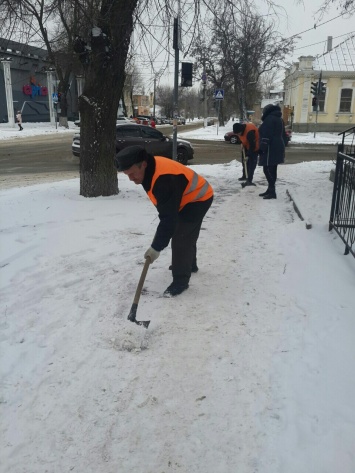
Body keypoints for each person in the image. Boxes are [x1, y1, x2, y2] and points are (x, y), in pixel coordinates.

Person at [115, 145, 214, 296]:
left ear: (143, 164)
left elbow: (169, 219)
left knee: (181, 238)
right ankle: (190, 265)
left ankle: (180, 281)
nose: (131, 178)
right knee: (185, 233)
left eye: (133, 173)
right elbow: (165, 209)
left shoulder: (164, 179)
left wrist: (156, 247)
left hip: (198, 198)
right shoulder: (148, 171)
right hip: (184, 199)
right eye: (127, 175)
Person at [258, 104, 285, 199]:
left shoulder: (269, 119)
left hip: (271, 147)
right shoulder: (279, 119)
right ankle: (270, 189)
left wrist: (262, 148)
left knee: (267, 169)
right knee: (273, 169)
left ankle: (272, 191)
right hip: (277, 145)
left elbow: (266, 135)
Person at [232, 122, 259, 188]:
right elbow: (242, 138)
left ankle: (249, 180)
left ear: (241, 130)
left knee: (251, 164)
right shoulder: (240, 130)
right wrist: (242, 144)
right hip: (246, 146)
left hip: (255, 147)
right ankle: (244, 176)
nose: (238, 134)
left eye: (238, 133)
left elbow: (252, 145)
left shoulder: (250, 132)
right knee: (244, 162)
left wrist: (248, 155)